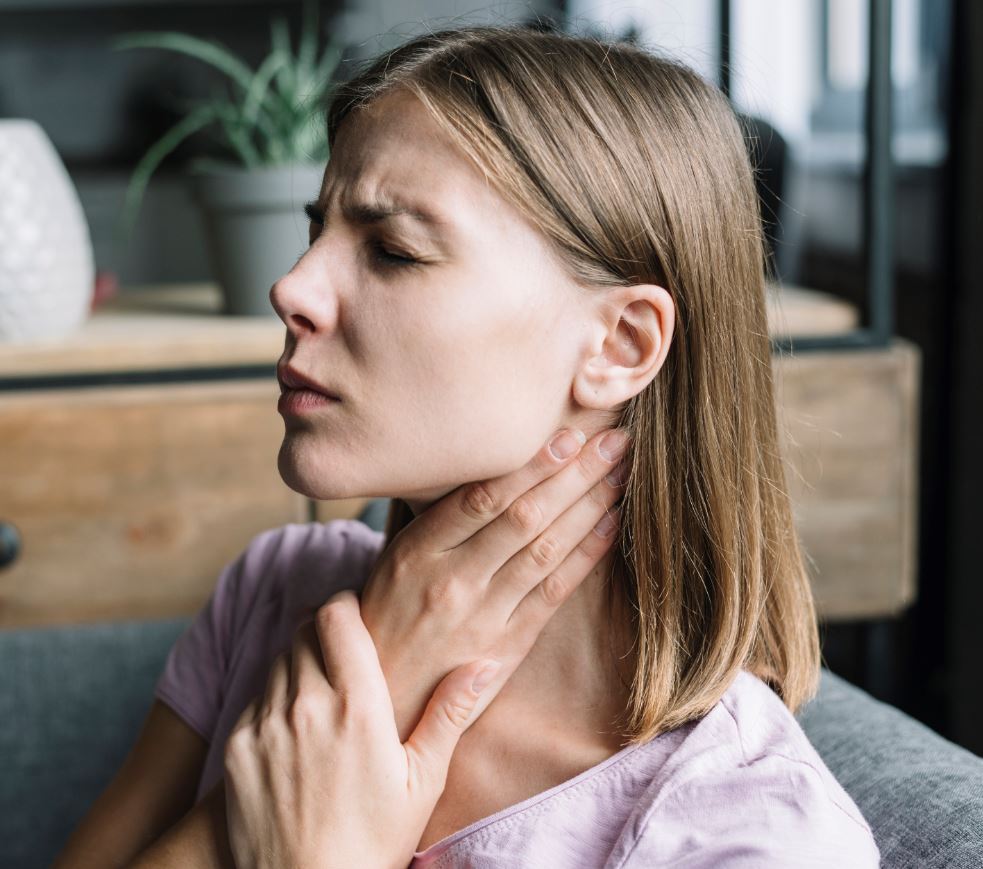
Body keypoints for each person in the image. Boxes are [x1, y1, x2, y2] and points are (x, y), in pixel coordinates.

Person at [53, 24, 881, 868]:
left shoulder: (756, 834)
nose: (291, 287)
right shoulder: (273, 592)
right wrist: (364, 685)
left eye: (393, 250)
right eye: (317, 230)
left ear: (620, 344)